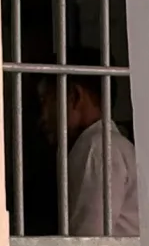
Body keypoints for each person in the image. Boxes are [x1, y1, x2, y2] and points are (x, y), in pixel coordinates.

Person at [45, 76, 139, 237]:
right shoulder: (109, 144)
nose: (43, 116)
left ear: (75, 96)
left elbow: (90, 241)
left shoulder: (98, 147)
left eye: (45, 101)